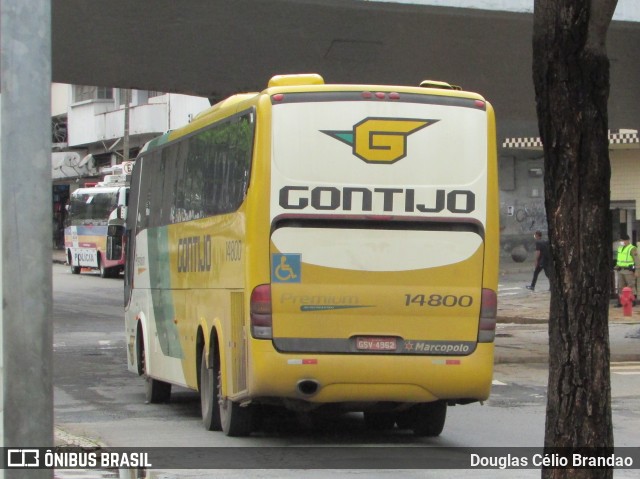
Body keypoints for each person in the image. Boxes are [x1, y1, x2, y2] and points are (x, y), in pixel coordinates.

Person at [614, 233, 639, 306]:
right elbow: (620, 259)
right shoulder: (620, 248)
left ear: (627, 240)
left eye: (622, 240)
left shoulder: (632, 248)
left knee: (630, 286)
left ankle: (632, 301)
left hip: (629, 270)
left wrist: (637, 271)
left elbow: (637, 260)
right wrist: (616, 266)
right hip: (621, 270)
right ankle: (621, 302)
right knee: (621, 287)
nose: (621, 242)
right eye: (620, 241)